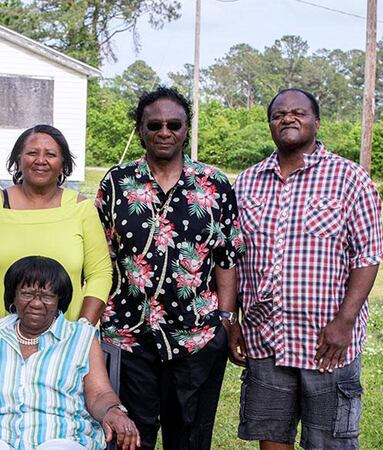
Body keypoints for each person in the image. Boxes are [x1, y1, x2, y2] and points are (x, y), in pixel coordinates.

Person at [233, 88, 383, 450]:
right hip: (264, 336)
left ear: (316, 122)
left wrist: (344, 321)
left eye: (298, 113)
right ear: (270, 124)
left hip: (326, 342)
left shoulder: (349, 179)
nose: (288, 118)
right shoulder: (246, 183)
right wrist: (233, 320)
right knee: (272, 439)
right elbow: (236, 257)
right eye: (278, 114)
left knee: (330, 442)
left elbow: (368, 255)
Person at [96, 86, 245, 450]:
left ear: (186, 129)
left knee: (190, 437)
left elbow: (226, 257)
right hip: (128, 336)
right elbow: (99, 256)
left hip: (196, 335)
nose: (165, 132)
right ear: (141, 128)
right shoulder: (117, 183)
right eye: (155, 125)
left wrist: (226, 319)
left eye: (174, 125)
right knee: (131, 437)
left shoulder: (215, 184)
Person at [0, 256, 141, 450]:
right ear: (13, 296)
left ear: (59, 300)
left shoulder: (81, 337)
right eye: (27, 293)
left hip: (61, 436)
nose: (36, 303)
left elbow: (100, 394)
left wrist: (113, 411)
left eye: (47, 296)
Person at [0, 124, 112, 328]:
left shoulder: (81, 208)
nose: (41, 160)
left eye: (51, 154)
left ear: (63, 162)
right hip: (0, 336)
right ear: (18, 159)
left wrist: (83, 328)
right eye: (32, 153)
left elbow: (100, 272)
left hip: (68, 339)